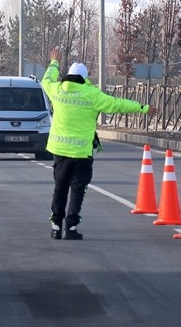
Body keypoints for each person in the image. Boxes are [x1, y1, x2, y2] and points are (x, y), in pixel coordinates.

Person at [41, 48, 156, 240]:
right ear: (85, 78)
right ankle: (71, 228)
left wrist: (54, 62)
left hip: (60, 152)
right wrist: (142, 108)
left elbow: (46, 80)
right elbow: (117, 104)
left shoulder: (57, 90)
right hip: (82, 153)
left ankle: (55, 226)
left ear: (68, 75)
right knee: (78, 190)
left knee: (60, 188)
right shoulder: (92, 94)